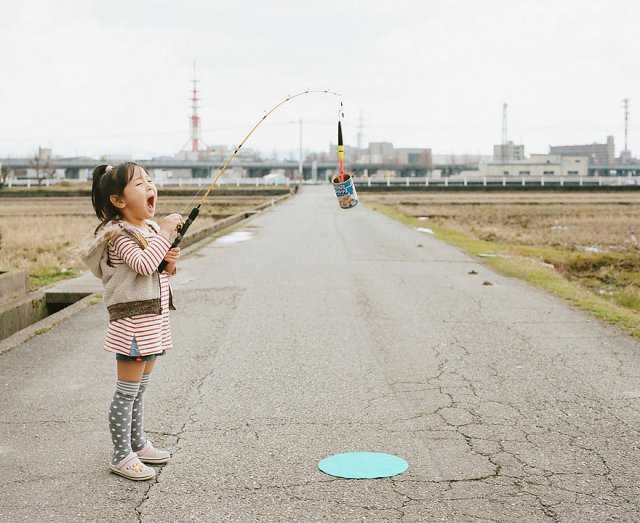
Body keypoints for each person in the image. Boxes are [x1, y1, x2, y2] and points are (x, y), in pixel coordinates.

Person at [82, 162, 182, 481]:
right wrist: (165, 233)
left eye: (150, 181)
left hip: (153, 322)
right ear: (119, 201)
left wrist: (169, 264)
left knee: (140, 389)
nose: (150, 187)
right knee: (127, 392)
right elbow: (141, 265)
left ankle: (137, 444)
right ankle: (120, 454)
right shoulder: (119, 235)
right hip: (133, 325)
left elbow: (156, 270)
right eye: (140, 184)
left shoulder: (148, 230)